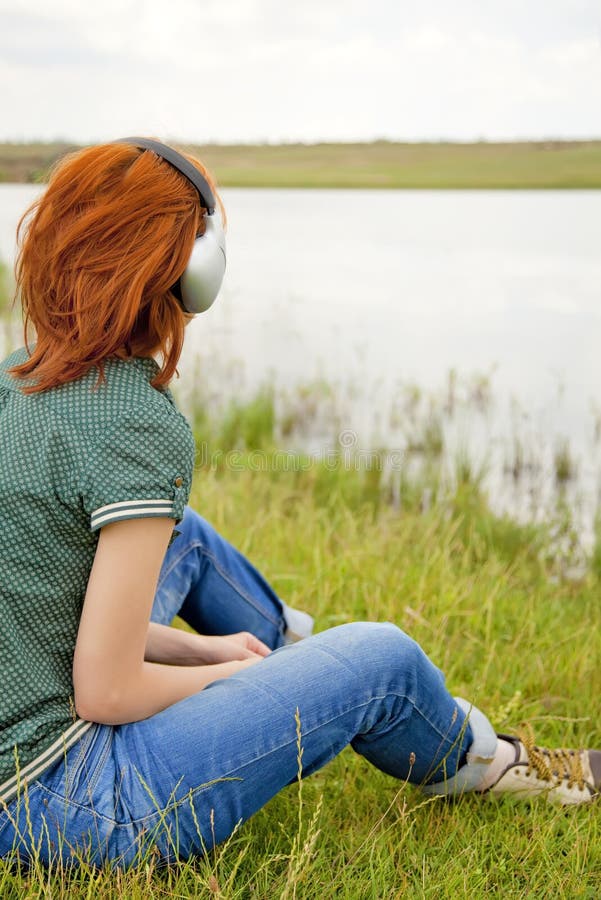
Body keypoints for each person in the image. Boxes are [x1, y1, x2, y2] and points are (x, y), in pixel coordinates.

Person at [0, 140, 598, 871]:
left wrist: (204, 649)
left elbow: (40, 604)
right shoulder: (134, 424)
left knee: (181, 538)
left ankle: (292, 658)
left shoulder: (16, 378)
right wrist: (232, 678)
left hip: (18, 750)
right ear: (190, 272)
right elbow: (108, 689)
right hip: (70, 802)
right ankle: (490, 762)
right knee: (379, 657)